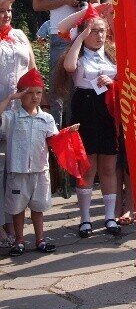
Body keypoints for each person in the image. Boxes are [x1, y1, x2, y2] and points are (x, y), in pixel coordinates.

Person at [55, 13, 121, 237]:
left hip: (108, 108)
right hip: (85, 108)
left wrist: (112, 82)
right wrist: (81, 37)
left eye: (102, 31)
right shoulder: (79, 54)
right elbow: (69, 66)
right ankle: (85, 219)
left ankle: (110, 217)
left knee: (109, 167)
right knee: (88, 167)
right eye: (94, 31)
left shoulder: (111, 55)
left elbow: (125, 77)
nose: (99, 35)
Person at [0, 69, 79, 256]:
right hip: (18, 171)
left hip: (39, 170)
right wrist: (11, 97)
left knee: (38, 207)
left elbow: (55, 141)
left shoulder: (46, 118)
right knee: (17, 208)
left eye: (38, 92)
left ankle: (40, 239)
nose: (34, 97)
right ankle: (19, 240)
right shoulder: (12, 117)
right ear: (21, 94)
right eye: (29, 92)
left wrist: (68, 134)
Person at [32, 0, 100, 129]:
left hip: (82, 37)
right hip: (59, 37)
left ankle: (75, 135)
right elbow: (37, 4)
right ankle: (55, 135)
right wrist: (65, 1)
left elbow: (97, 4)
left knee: (78, 87)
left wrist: (85, 4)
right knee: (57, 89)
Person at [0, 0, 37, 244]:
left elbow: (32, 68)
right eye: (1, 11)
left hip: (20, 111)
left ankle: (13, 223)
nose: (6, 15)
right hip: (1, 107)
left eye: (9, 11)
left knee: (15, 169)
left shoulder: (20, 35)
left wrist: (37, 103)